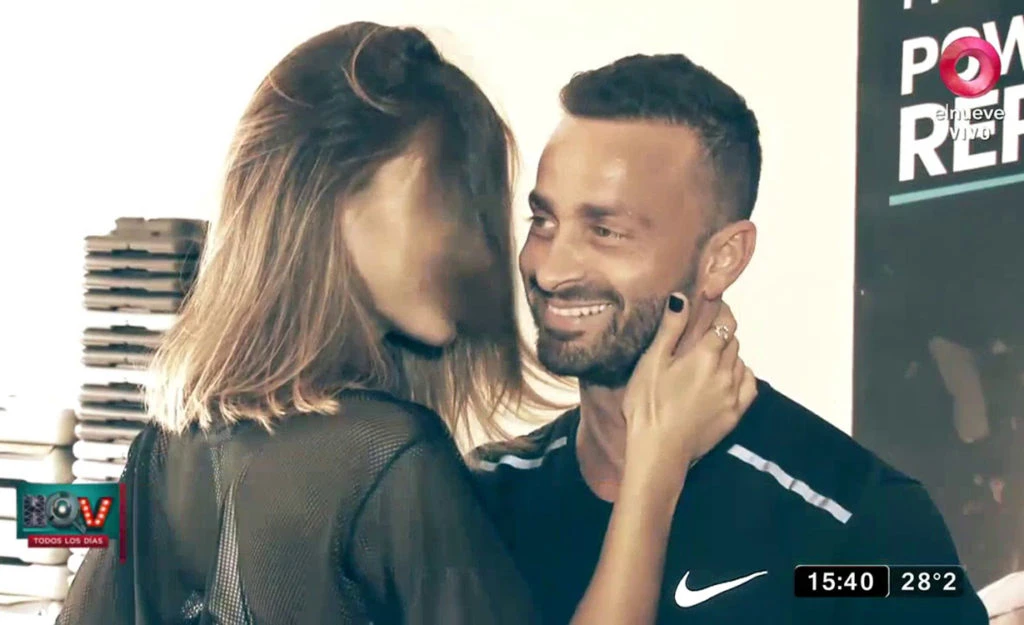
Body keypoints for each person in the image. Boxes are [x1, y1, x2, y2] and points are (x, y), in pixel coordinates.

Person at [56, 23, 755, 625]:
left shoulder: (160, 452)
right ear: (335, 194)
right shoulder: (389, 460)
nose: (485, 252)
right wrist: (655, 470)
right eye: (451, 199)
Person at [470, 53, 990, 624]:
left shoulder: (860, 520)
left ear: (723, 258)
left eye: (606, 231)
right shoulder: (485, 500)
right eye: (543, 221)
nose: (550, 270)